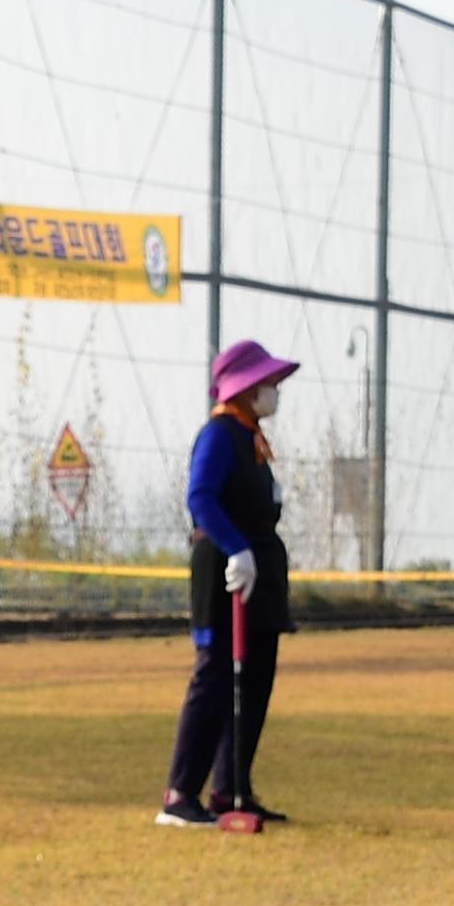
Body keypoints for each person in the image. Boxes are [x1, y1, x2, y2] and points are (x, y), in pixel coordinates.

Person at [160, 336, 296, 825]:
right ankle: (180, 795)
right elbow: (201, 497)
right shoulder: (219, 435)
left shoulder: (250, 436)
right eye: (268, 383)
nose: (275, 391)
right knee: (216, 674)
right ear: (245, 388)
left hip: (259, 569)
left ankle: (231, 789)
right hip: (224, 565)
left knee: (256, 677)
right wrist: (235, 548)